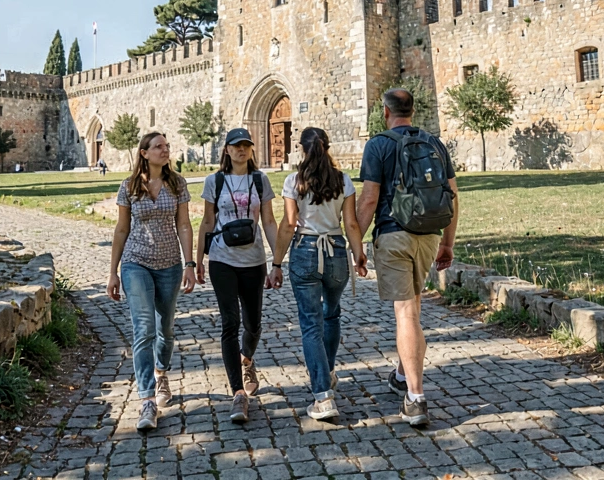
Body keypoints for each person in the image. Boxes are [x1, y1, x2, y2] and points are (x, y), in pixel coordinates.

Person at [356, 88, 458, 427]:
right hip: (428, 235)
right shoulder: (436, 143)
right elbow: (453, 197)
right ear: (412, 111)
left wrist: (355, 242)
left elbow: (369, 200)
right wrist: (447, 243)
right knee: (412, 309)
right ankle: (402, 373)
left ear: (386, 113)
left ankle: (415, 398)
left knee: (406, 313)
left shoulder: (378, 145)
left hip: (394, 233)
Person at [267, 127, 366, 421]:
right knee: (332, 313)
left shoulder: (294, 182)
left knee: (311, 324)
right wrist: (359, 253)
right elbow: (350, 224)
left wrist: (275, 263)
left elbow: (289, 224)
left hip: (305, 250)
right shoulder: (343, 181)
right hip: (335, 250)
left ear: (302, 149)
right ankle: (328, 371)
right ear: (328, 147)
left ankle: (323, 397)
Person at [107, 132, 196, 432]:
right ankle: (146, 400)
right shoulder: (129, 187)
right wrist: (113, 271)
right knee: (143, 328)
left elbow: (184, 224)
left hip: (170, 265)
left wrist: (190, 263)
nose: (165, 150)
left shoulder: (177, 183)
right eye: (158, 146)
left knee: (166, 330)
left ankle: (161, 372)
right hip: (136, 263)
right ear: (144, 153)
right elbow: (121, 229)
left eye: (167, 146)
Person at [196, 128, 279, 424]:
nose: (242, 150)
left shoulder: (260, 180)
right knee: (230, 323)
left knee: (253, 323)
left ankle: (247, 360)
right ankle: (237, 393)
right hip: (222, 259)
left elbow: (269, 221)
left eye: (246, 145)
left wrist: (277, 261)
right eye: (236, 146)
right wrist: (197, 261)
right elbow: (207, 220)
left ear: (251, 150)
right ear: (227, 150)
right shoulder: (214, 181)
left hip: (254, 260)